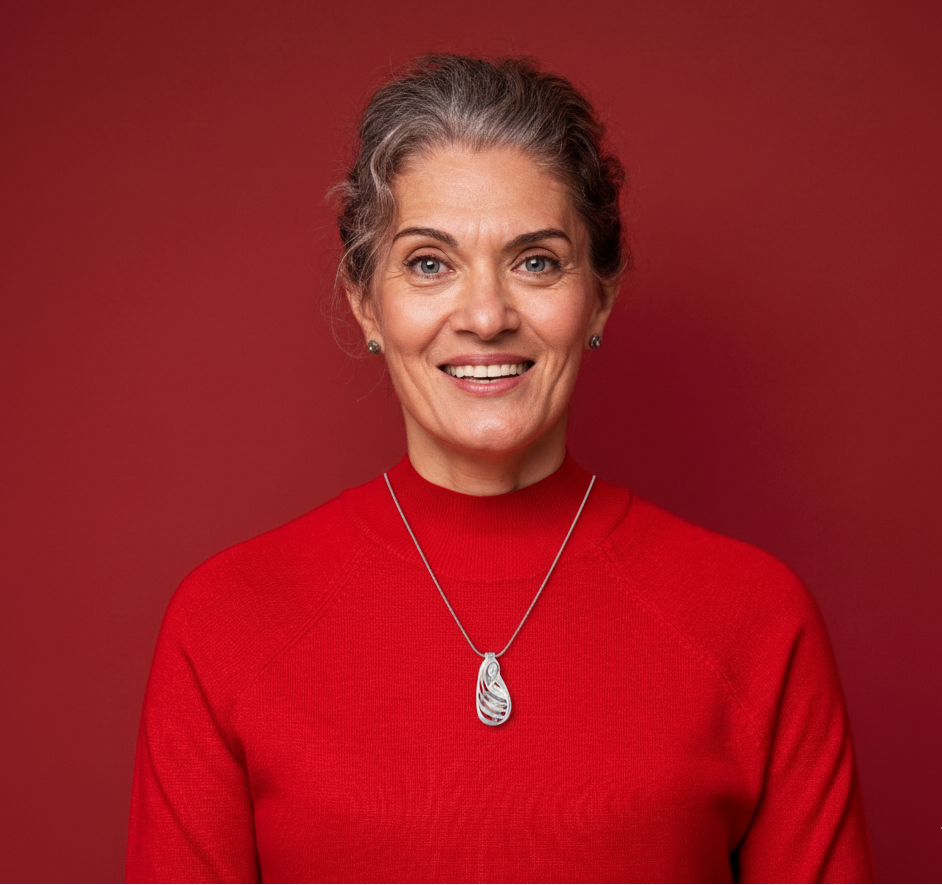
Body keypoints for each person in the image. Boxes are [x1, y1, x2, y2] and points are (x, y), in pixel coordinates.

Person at [126, 54, 874, 883]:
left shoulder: (757, 619)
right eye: (429, 263)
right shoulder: (227, 622)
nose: (485, 315)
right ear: (366, 301)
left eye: (537, 261)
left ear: (602, 293)